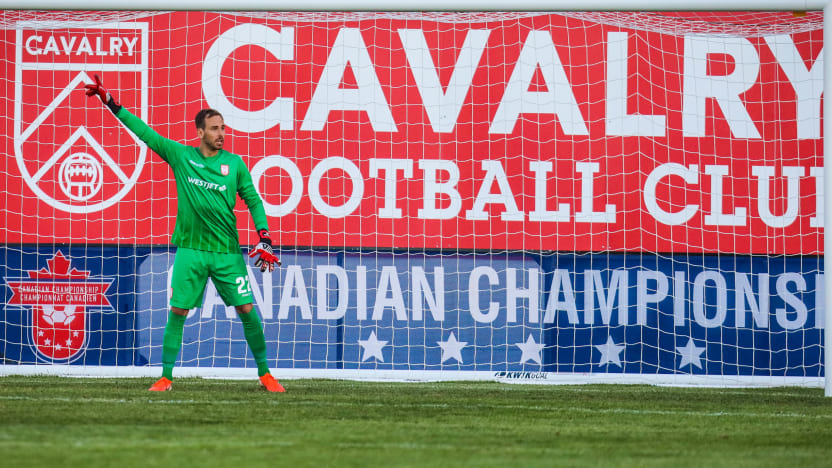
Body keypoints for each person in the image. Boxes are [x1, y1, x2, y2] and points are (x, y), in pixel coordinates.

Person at [84, 75, 285, 392]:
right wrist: (111, 103)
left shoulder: (234, 164)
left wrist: (264, 236)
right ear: (201, 132)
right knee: (178, 310)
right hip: (190, 250)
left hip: (227, 253)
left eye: (223, 128)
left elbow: (254, 201)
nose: (222, 133)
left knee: (247, 309)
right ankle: (165, 376)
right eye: (215, 128)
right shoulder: (182, 156)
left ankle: (265, 374)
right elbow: (146, 134)